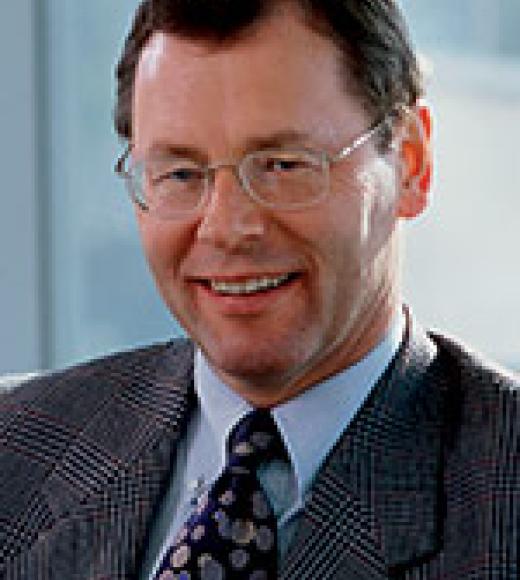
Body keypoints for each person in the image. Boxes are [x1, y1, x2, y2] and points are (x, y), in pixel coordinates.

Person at [1, 1, 519, 578]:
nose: (226, 228)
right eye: (181, 174)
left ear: (410, 164)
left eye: (282, 165)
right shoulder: (15, 447)